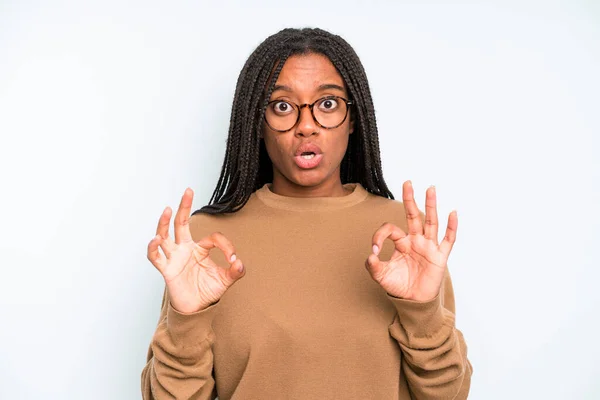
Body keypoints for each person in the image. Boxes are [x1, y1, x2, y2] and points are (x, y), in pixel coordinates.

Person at [141, 27, 472, 399]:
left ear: (353, 119)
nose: (307, 125)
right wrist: (186, 323)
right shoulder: (205, 243)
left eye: (327, 103)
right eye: (282, 106)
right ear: (258, 124)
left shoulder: (405, 236)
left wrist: (423, 313)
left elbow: (449, 395)